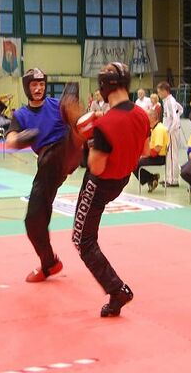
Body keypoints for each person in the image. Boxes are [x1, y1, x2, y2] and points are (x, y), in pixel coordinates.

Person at [72, 62, 150, 317]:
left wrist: (90, 141)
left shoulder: (105, 125)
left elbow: (96, 167)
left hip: (99, 185)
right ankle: (116, 289)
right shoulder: (142, 115)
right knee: (86, 238)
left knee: (82, 240)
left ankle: (117, 290)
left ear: (104, 87)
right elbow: (146, 151)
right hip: (122, 180)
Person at [6, 68, 84, 283]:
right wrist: (19, 139)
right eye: (34, 85)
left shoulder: (57, 105)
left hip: (66, 149)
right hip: (49, 165)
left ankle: (83, 140)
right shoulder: (21, 115)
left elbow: (77, 120)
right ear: (27, 87)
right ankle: (49, 262)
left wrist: (77, 116)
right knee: (33, 221)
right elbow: (10, 139)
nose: (39, 88)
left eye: (41, 84)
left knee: (71, 108)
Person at [132, 108, 169, 192]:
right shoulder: (154, 128)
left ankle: (151, 178)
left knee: (134, 164)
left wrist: (145, 155)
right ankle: (151, 178)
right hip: (155, 156)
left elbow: (157, 148)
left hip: (159, 158)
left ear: (151, 118)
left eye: (146, 117)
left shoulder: (159, 129)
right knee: (134, 162)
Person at [156, 81, 182, 187]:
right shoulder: (166, 101)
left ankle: (173, 180)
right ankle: (168, 177)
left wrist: (170, 130)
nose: (158, 94)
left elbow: (175, 118)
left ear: (164, 91)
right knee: (168, 155)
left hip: (172, 132)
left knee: (172, 155)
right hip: (169, 131)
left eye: (159, 92)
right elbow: (180, 109)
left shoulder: (170, 101)